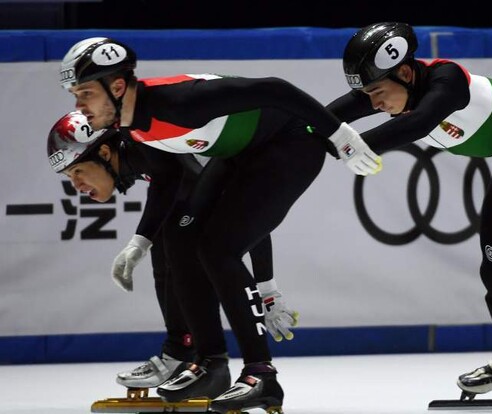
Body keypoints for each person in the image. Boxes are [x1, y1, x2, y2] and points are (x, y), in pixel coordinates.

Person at [57, 37, 380, 413]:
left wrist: (340, 135)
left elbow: (276, 88)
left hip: (288, 143)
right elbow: (165, 181)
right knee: (179, 239)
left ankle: (262, 375)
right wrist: (141, 242)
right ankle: (210, 364)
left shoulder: (178, 101)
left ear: (116, 88)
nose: (79, 106)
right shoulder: (133, 126)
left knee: (218, 249)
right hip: (240, 151)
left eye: (83, 94)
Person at [327, 23, 492, 414]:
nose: (374, 104)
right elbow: (326, 117)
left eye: (377, 94)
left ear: (404, 72)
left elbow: (418, 123)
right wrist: (289, 134)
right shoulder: (395, 87)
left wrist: (355, 144)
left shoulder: (446, 79)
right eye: (368, 96)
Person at [47, 111, 299, 393]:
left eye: (77, 171)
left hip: (277, 151)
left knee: (184, 240)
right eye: (70, 177)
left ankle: (215, 363)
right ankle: (183, 354)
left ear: (104, 151)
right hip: (240, 161)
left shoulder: (150, 149)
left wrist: (267, 289)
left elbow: (246, 217)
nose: (77, 186)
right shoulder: (138, 154)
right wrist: (141, 241)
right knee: (171, 236)